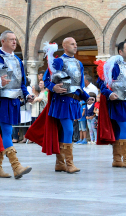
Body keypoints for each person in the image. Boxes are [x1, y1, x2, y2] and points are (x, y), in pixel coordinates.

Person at [26, 37, 90, 173]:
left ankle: (60, 163)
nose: (75, 46)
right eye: (72, 44)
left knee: (63, 131)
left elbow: (79, 85)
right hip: (61, 100)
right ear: (65, 46)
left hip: (74, 100)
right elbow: (46, 80)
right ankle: (69, 163)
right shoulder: (59, 61)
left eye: (76, 44)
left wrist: (86, 97)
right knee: (68, 130)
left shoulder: (79, 63)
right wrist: (53, 87)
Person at [0, 30, 34, 179]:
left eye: (15, 40)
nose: (14, 42)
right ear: (3, 41)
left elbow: (21, 83)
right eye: (11, 40)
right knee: (7, 132)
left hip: (14, 101)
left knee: (3, 133)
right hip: (0, 100)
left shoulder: (17, 60)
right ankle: (16, 166)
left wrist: (27, 94)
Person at [97, 41, 126, 168]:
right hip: (116, 102)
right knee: (124, 128)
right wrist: (108, 93)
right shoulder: (113, 65)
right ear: (120, 52)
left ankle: (117, 160)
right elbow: (102, 83)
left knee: (119, 130)